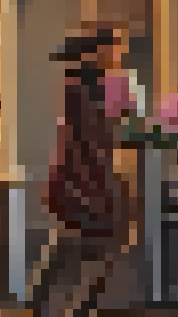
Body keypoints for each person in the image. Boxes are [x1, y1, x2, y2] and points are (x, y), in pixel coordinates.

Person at [31, 23, 132, 316]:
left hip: (78, 178)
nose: (119, 55)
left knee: (73, 242)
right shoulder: (91, 87)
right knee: (98, 243)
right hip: (86, 180)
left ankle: (51, 303)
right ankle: (78, 306)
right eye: (115, 48)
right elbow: (104, 131)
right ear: (98, 51)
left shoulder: (78, 83)